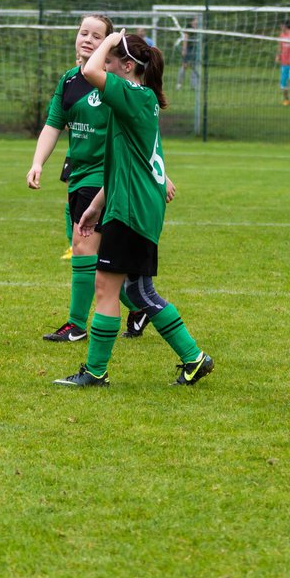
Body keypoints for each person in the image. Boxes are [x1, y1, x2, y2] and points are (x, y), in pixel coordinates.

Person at [54, 30, 213, 388]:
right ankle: (194, 358)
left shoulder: (133, 94)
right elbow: (121, 166)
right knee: (138, 292)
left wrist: (110, 40)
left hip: (132, 210)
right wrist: (96, 207)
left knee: (107, 289)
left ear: (127, 66)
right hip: (132, 205)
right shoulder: (135, 100)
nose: (103, 63)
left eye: (111, 59)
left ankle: (95, 372)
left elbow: (90, 72)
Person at [27, 15, 170, 343]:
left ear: (110, 45)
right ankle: (137, 305)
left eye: (97, 35)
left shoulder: (112, 82)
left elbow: (139, 133)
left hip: (106, 178)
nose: (87, 39)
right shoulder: (68, 81)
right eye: (83, 33)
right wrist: (38, 162)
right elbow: (53, 123)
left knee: (82, 247)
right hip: (76, 174)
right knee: (90, 256)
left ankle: (76, 325)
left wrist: (162, 174)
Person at [177, 17, 200, 90]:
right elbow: (185, 38)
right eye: (196, 19)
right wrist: (184, 49)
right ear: (193, 20)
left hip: (196, 49)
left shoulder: (200, 27)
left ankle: (194, 86)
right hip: (188, 49)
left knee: (194, 67)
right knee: (185, 66)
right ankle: (179, 84)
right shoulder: (189, 26)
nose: (197, 21)